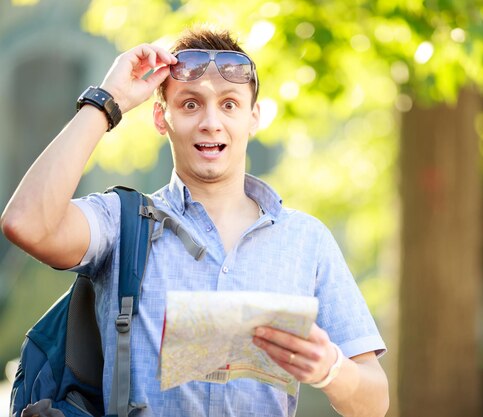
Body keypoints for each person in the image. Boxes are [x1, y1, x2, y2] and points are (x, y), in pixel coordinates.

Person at [1, 25, 389, 417]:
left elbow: (375, 403)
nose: (210, 122)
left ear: (253, 118)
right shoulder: (120, 223)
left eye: (229, 104)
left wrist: (331, 369)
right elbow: (26, 223)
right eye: (190, 104)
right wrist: (108, 100)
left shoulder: (307, 240)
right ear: (160, 117)